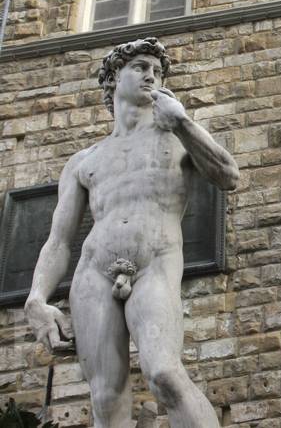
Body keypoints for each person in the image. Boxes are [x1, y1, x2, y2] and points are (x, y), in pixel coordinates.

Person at [24, 37, 239, 428]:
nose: (151, 76)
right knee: (105, 396)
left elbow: (228, 175)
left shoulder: (176, 136)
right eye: (140, 67)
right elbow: (58, 240)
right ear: (113, 80)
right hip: (93, 272)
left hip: (154, 261)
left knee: (165, 374)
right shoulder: (83, 161)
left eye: (157, 71)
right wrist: (36, 297)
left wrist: (184, 122)